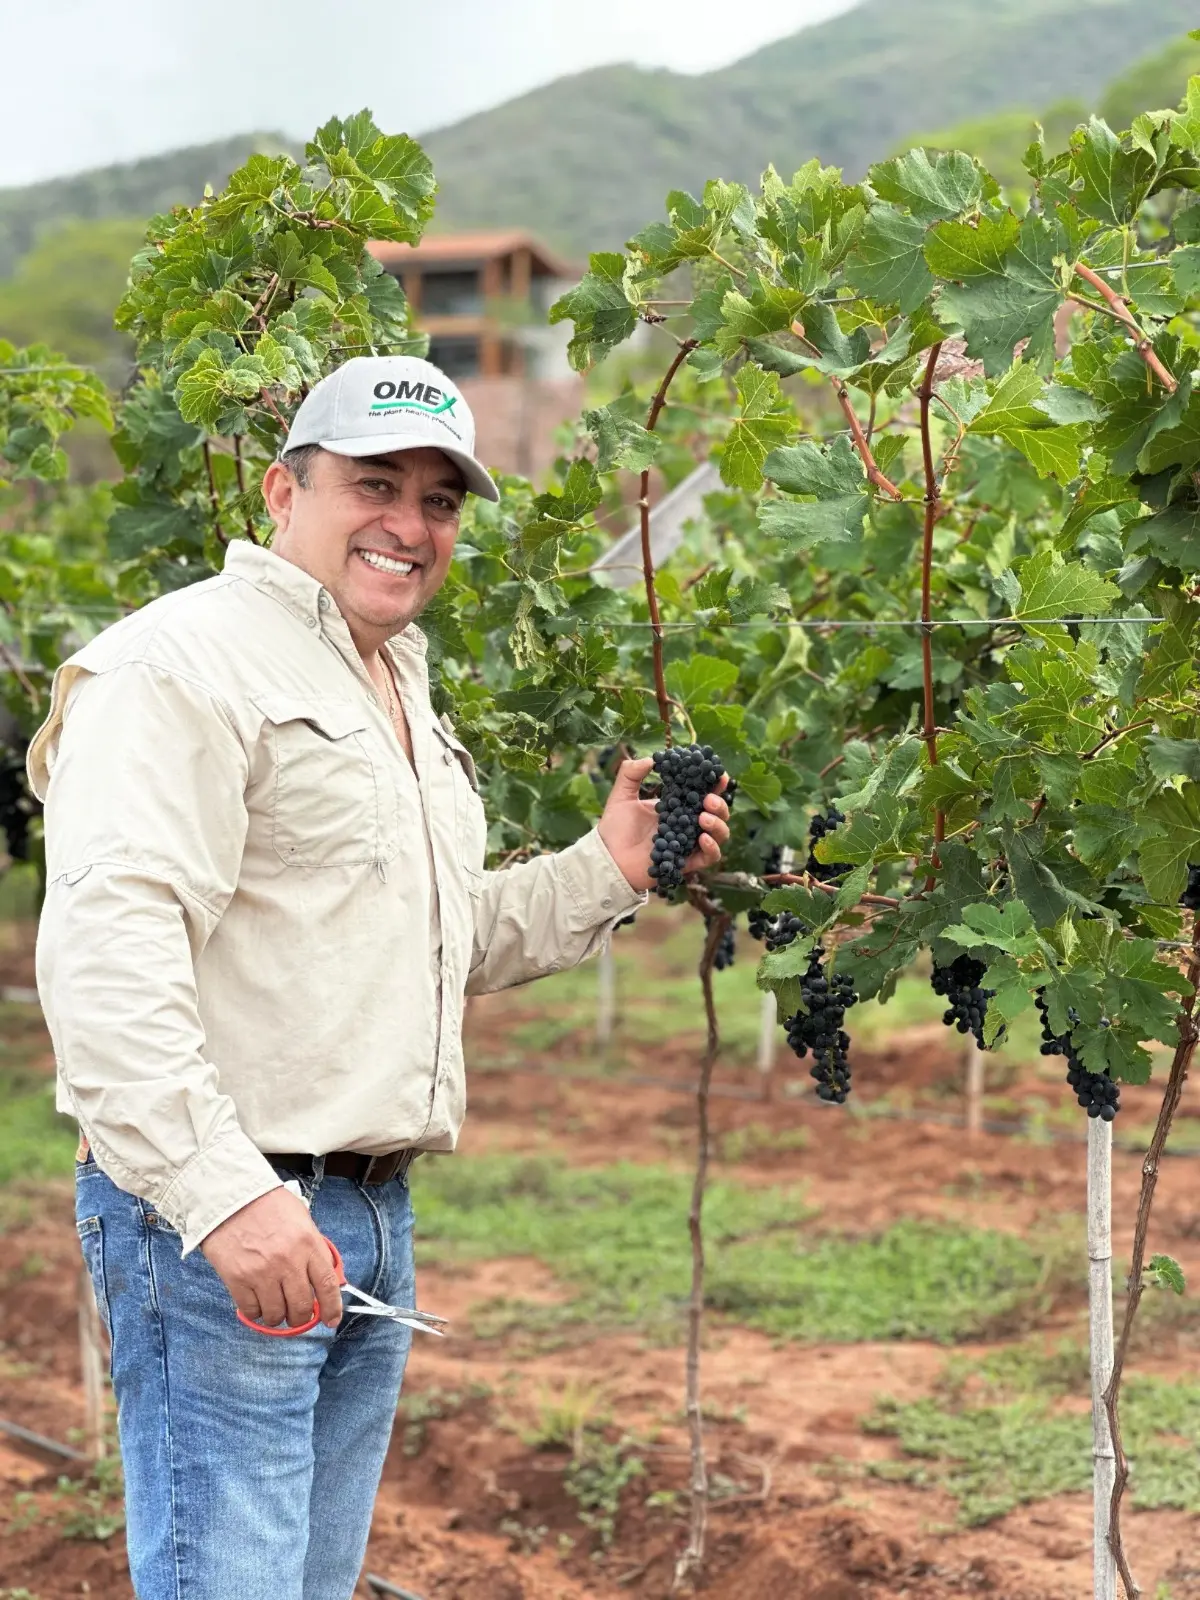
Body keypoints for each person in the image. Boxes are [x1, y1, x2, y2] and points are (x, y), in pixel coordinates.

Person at [28, 354, 731, 1600]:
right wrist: (225, 1198)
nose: (409, 525)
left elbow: (428, 938)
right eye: (374, 484)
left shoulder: (388, 675)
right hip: (224, 1232)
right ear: (280, 491)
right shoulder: (177, 666)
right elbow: (108, 959)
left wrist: (607, 868)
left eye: (440, 499)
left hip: (364, 1222)